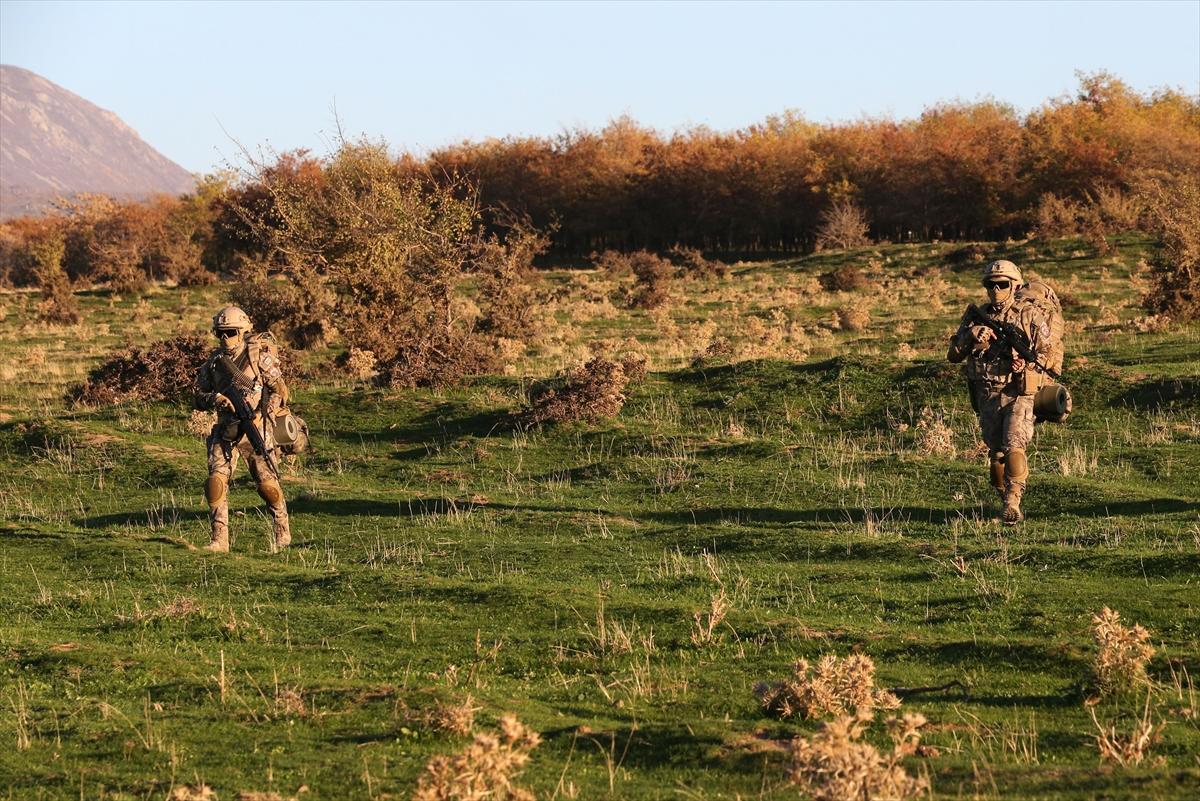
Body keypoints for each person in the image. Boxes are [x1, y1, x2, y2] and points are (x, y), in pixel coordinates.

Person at [948, 260, 1052, 524]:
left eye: (1002, 284)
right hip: (986, 392)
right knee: (996, 453)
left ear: (1014, 285)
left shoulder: (1028, 315)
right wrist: (970, 334)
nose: (996, 289)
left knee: (1014, 444)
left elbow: (1046, 352)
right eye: (990, 285)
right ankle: (1003, 497)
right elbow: (953, 356)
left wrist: (1025, 362)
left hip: (1018, 391)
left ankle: (1013, 502)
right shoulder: (976, 316)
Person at [193, 306, 291, 552]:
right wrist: (214, 399)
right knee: (215, 483)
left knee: (267, 486)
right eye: (221, 333)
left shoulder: (259, 356)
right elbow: (197, 395)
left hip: (255, 428)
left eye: (231, 333)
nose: (226, 339)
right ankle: (219, 540)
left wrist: (263, 413)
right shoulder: (215, 363)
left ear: (243, 331)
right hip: (226, 430)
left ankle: (282, 531)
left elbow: (281, 391)